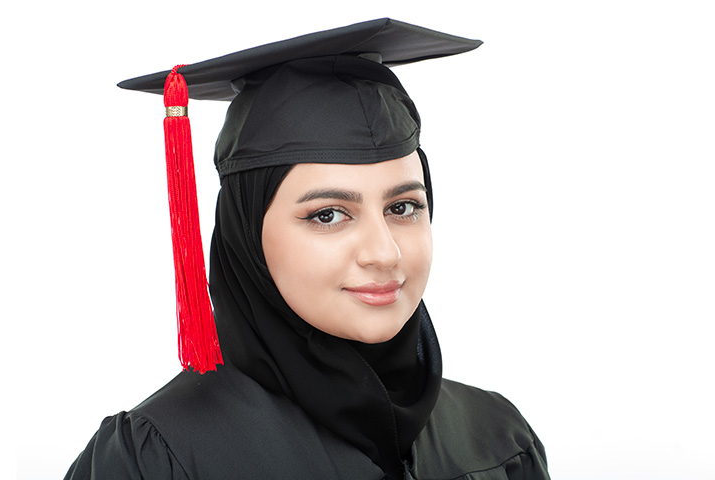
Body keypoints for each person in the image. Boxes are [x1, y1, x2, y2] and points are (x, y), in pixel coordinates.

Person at [64, 18, 550, 480]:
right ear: (246, 235)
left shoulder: (497, 436)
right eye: (328, 215)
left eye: (403, 207)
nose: (384, 253)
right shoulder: (157, 458)